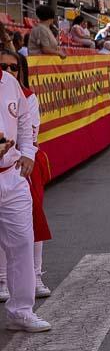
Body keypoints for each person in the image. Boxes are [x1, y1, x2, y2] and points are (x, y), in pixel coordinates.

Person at [0, 47, 46, 332]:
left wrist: (28, 152)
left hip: (12, 175)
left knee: (22, 244)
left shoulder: (10, 82)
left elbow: (24, 121)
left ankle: (21, 311)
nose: (8, 69)